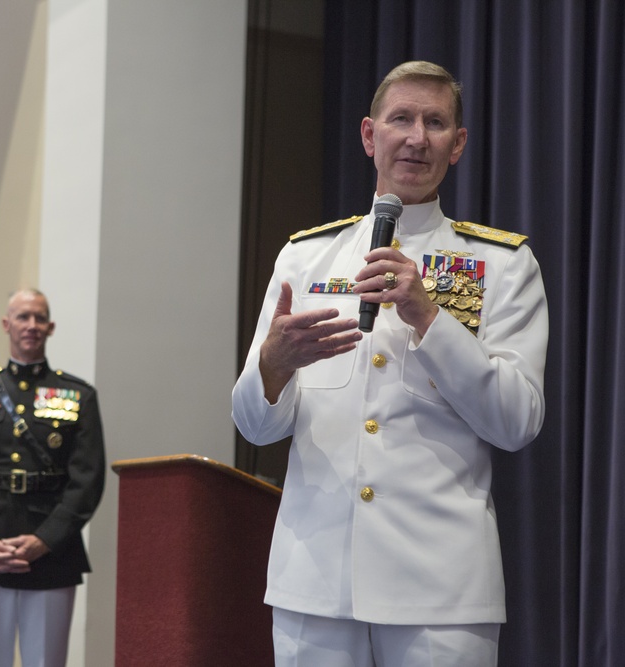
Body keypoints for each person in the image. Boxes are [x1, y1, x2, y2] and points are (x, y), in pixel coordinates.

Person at [232, 61, 548, 666]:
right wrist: (272, 367)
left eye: (435, 123)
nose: (416, 137)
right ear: (369, 136)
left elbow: (517, 421)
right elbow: (255, 426)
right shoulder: (306, 256)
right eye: (401, 119)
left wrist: (430, 318)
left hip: (441, 589)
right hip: (315, 583)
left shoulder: (501, 265)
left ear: (456, 146)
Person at [0, 288, 106, 667]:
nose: (31, 325)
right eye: (22, 317)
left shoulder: (77, 395)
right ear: (6, 324)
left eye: (39, 317)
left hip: (52, 554)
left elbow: (88, 480)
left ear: (50, 327)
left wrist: (44, 540)